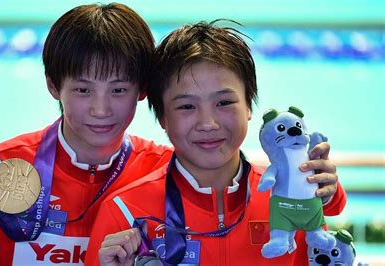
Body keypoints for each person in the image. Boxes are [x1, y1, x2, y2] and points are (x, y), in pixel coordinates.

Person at [86, 20, 347, 265]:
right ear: (162, 117)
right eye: (187, 106)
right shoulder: (124, 213)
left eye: (224, 103)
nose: (208, 123)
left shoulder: (290, 195)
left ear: (249, 106)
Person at [0, 3, 173, 265]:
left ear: (142, 90)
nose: (101, 110)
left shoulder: (166, 173)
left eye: (118, 90)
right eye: (83, 91)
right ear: (53, 86)